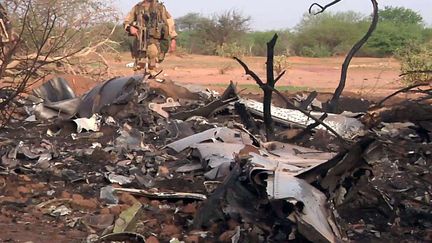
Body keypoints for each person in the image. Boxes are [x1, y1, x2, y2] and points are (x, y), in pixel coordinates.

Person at [124, 0, 177, 76]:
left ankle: (153, 83)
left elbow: (170, 23)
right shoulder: (137, 8)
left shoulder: (160, 8)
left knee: (153, 67)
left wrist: (173, 39)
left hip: (155, 42)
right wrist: (130, 28)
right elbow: (126, 22)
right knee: (139, 67)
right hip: (140, 42)